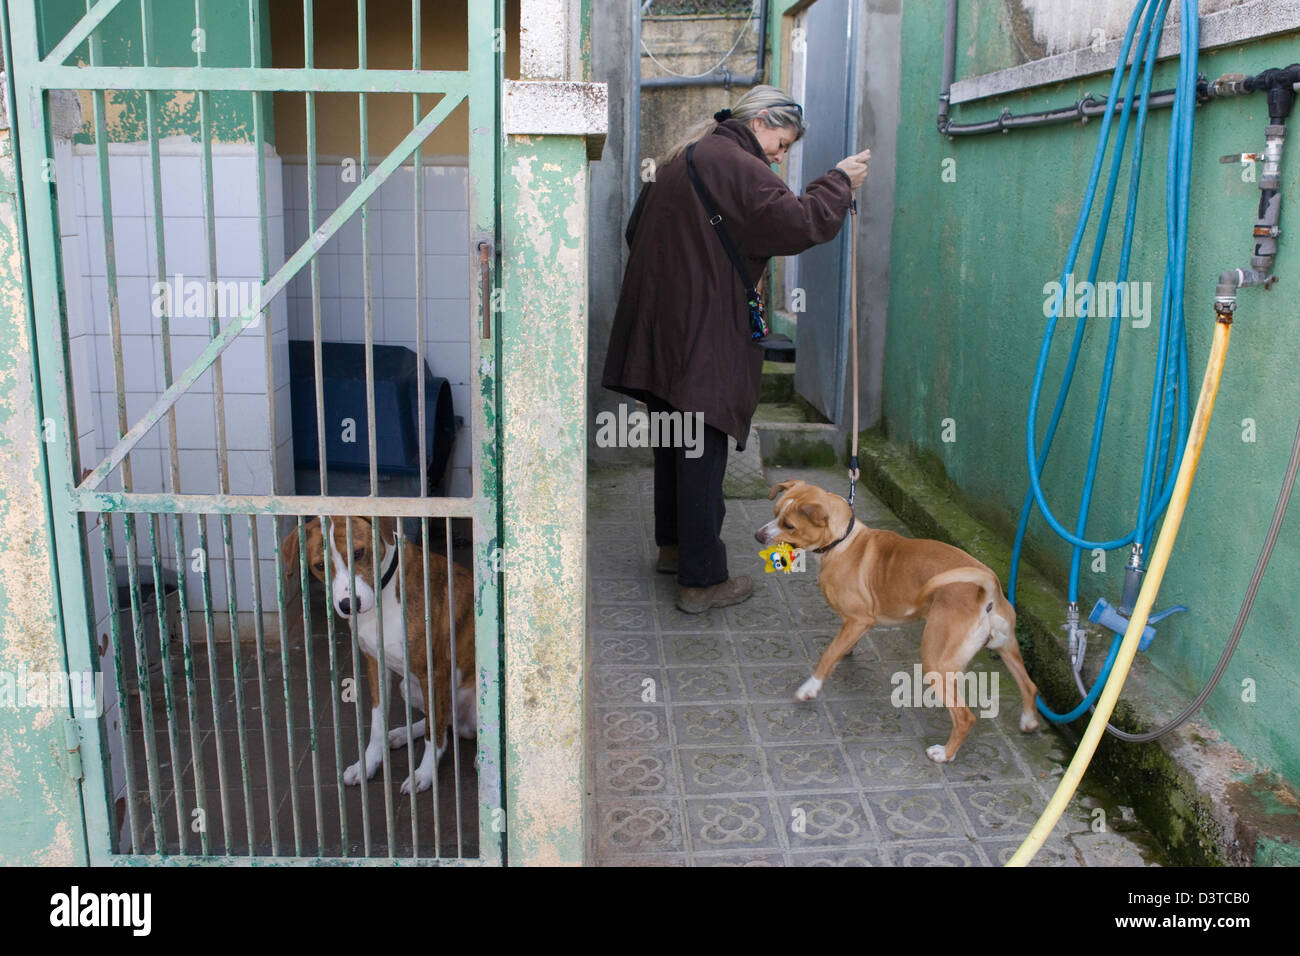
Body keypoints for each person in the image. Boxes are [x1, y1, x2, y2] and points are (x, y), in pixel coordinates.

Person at [602, 85, 870, 614]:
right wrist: (838, 182)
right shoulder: (734, 161)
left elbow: (636, 231)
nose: (780, 155)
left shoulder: (685, 157)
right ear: (763, 121)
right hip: (702, 338)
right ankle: (702, 580)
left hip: (658, 333)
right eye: (782, 143)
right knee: (701, 453)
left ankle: (674, 550)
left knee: (675, 446)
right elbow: (796, 222)